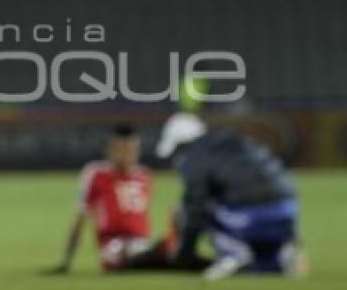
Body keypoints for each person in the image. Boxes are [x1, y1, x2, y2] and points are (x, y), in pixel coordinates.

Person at [157, 112, 308, 280]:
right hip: (287, 210)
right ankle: (280, 253)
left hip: (252, 216)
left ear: (181, 145)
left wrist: (184, 253)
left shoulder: (195, 158)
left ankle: (233, 253)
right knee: (263, 268)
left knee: (195, 210)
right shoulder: (237, 142)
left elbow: (195, 209)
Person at [51, 124, 183, 273]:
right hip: (113, 244)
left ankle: (177, 255)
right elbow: (81, 216)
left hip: (141, 243)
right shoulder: (96, 174)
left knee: (176, 216)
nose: (128, 154)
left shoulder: (145, 175)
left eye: (132, 150)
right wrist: (66, 261)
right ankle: (168, 257)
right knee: (130, 257)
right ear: (110, 150)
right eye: (122, 149)